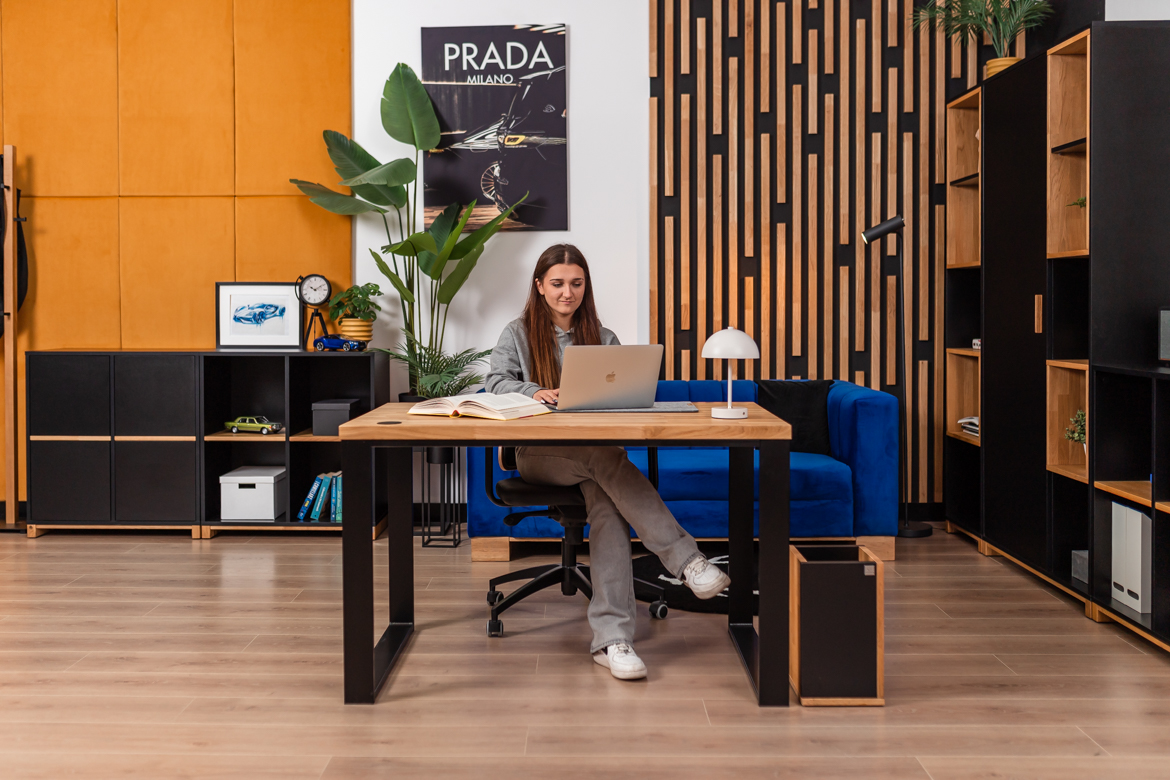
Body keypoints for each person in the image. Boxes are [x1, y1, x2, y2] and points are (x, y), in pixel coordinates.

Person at [485, 243, 730, 681]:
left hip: (595, 459)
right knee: (604, 458)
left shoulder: (604, 338)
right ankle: (687, 561)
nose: (567, 293)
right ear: (540, 286)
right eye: (557, 284)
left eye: (576, 284)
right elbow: (495, 382)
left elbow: (625, 401)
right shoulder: (517, 333)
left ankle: (612, 641)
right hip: (538, 455)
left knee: (605, 499)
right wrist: (534, 391)